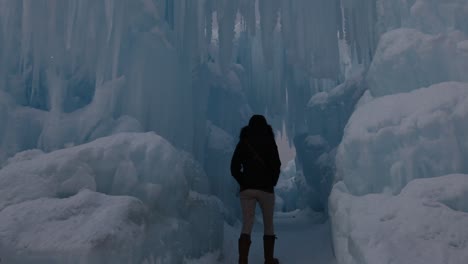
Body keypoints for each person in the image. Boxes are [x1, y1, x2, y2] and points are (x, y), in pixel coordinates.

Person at [230, 114, 281, 264]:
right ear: (265, 126)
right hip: (266, 189)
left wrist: (243, 181)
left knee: (247, 224)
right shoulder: (269, 141)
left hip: (247, 189)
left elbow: (233, 167)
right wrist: (271, 181)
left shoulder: (243, 141)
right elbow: (276, 165)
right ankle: (269, 260)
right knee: (268, 225)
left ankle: (243, 260)